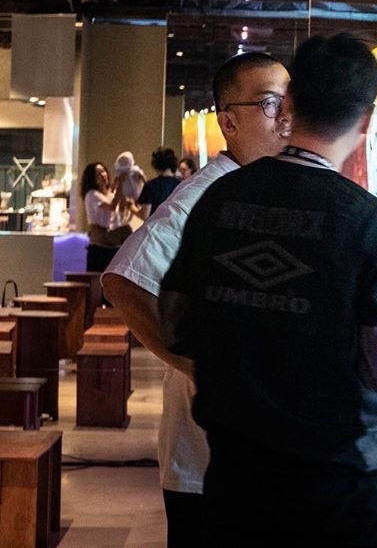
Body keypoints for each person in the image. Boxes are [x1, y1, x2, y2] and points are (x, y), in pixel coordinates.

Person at [159, 33, 377, 548]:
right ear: (366, 121)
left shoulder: (218, 201)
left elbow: (176, 326)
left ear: (291, 104)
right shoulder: (368, 222)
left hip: (235, 477)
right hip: (338, 486)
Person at [102, 52, 291, 548]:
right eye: (270, 104)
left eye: (290, 103)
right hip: (206, 462)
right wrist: (197, 367)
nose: (285, 117)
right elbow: (123, 280)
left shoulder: (261, 186)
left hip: (251, 452)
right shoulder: (205, 193)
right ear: (228, 121)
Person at [81, 161, 135, 271]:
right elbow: (112, 206)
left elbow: (120, 213)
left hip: (114, 246)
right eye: (98, 174)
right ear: (92, 179)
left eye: (104, 171)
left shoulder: (111, 194)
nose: (103, 175)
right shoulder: (92, 194)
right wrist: (120, 186)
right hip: (100, 248)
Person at [138, 146, 183, 217]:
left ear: (156, 164)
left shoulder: (150, 186)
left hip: (156, 223)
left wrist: (131, 206)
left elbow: (144, 215)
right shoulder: (181, 185)